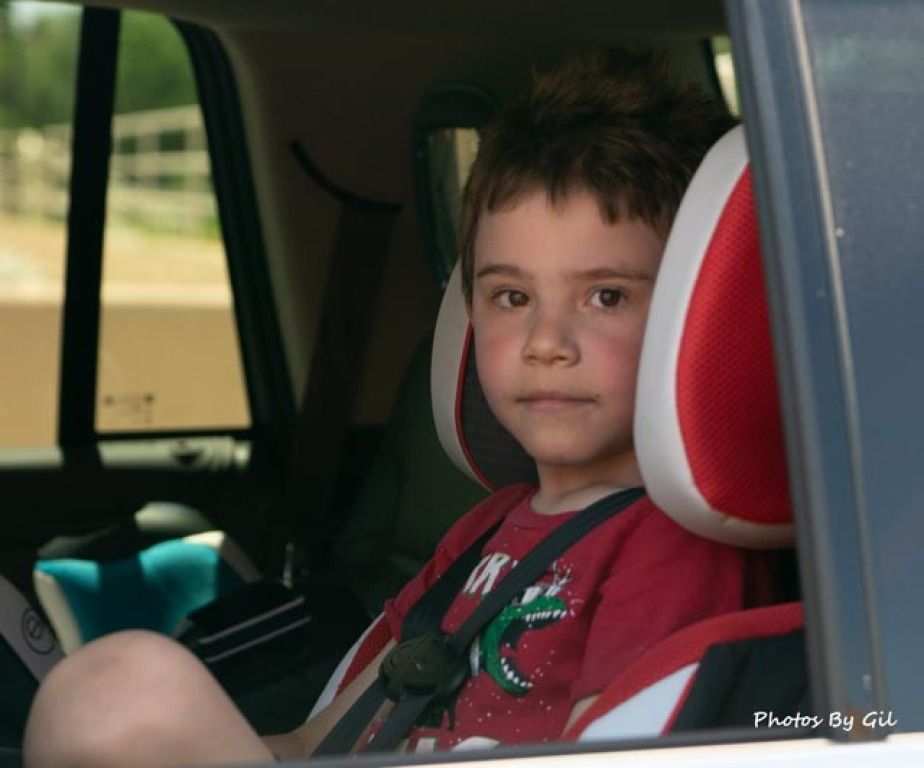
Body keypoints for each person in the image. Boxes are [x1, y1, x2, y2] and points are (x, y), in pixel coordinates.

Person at [24, 49, 740, 766]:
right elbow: (318, 740)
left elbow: (620, 754)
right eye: (511, 298)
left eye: (606, 296)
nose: (545, 343)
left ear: (693, 315)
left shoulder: (668, 546)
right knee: (116, 692)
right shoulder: (482, 533)